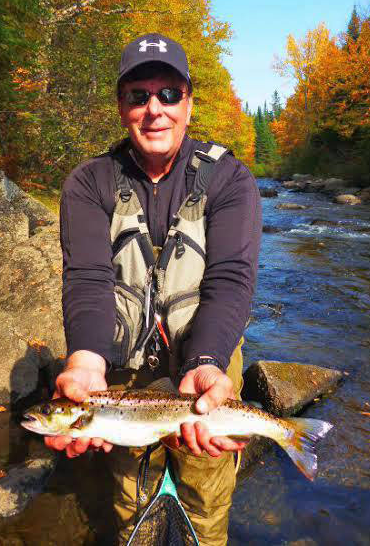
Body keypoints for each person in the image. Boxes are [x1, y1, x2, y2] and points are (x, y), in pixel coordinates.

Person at [45, 33, 262, 545]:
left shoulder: (229, 179)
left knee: (205, 491)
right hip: (120, 367)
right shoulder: (88, 182)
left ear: (188, 103)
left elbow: (231, 279)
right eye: (138, 96)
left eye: (168, 94)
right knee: (132, 492)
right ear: (122, 106)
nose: (154, 109)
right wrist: (85, 362)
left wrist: (206, 361)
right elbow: (88, 278)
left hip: (208, 353)